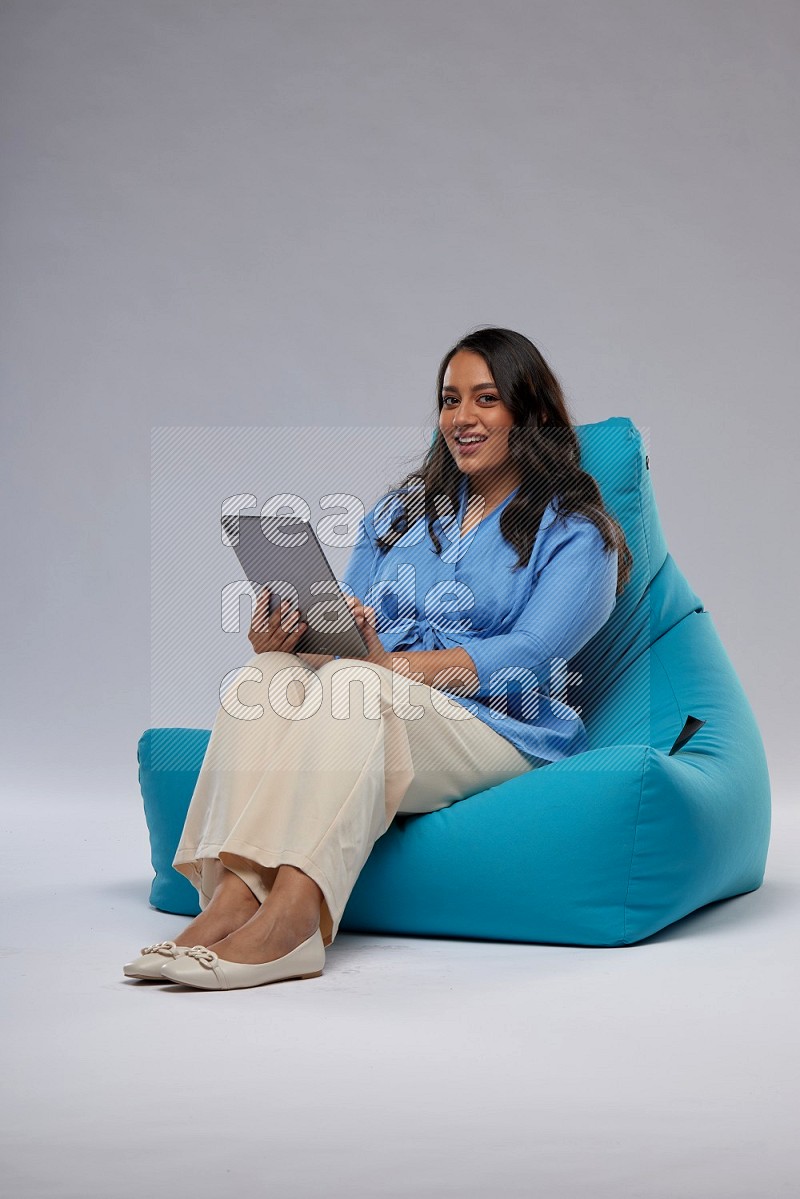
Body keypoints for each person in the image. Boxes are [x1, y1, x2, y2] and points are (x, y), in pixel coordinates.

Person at [123, 326, 632, 990]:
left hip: (503, 729)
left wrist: (379, 668)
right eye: (451, 400)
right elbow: (354, 621)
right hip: (382, 704)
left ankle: (292, 925)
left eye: (486, 399)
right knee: (265, 679)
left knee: (352, 690)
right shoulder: (400, 513)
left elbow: (530, 657)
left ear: (530, 414)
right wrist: (297, 640)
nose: (462, 418)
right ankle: (225, 906)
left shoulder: (575, 531)